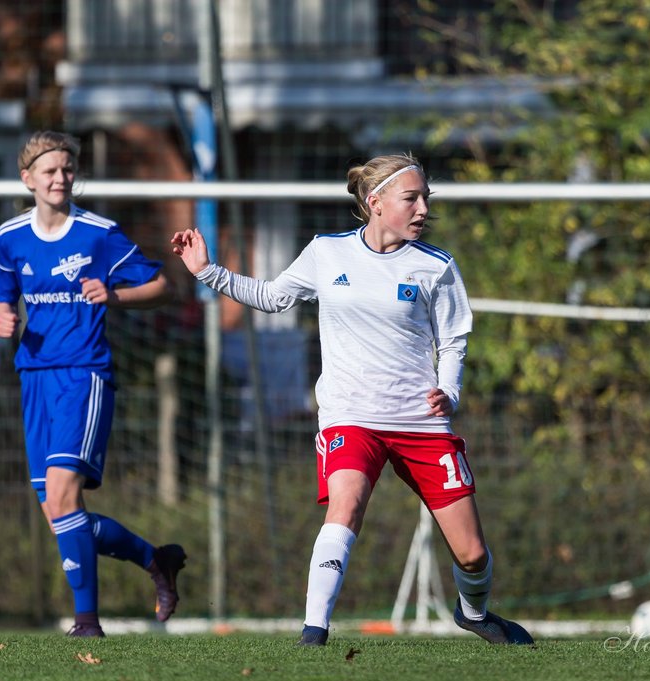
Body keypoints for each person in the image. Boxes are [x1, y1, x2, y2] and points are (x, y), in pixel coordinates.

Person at [170, 153, 532, 646]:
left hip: (420, 422)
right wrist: (208, 271)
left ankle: (473, 613)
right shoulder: (327, 252)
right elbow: (274, 297)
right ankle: (313, 633)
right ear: (375, 202)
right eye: (413, 198)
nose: (424, 208)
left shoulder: (437, 267)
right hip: (350, 415)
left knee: (471, 554)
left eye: (426, 198)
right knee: (345, 506)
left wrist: (449, 391)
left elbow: (452, 341)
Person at [0, 130, 188, 638]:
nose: (60, 178)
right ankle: (154, 559)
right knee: (58, 512)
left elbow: (164, 286)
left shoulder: (98, 233)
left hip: (84, 374)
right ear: (27, 178)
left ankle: (86, 624)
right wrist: (2, 315)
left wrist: (115, 297)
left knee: (63, 494)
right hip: (34, 376)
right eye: (49, 170)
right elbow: (2, 295)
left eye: (67, 169)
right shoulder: (10, 236)